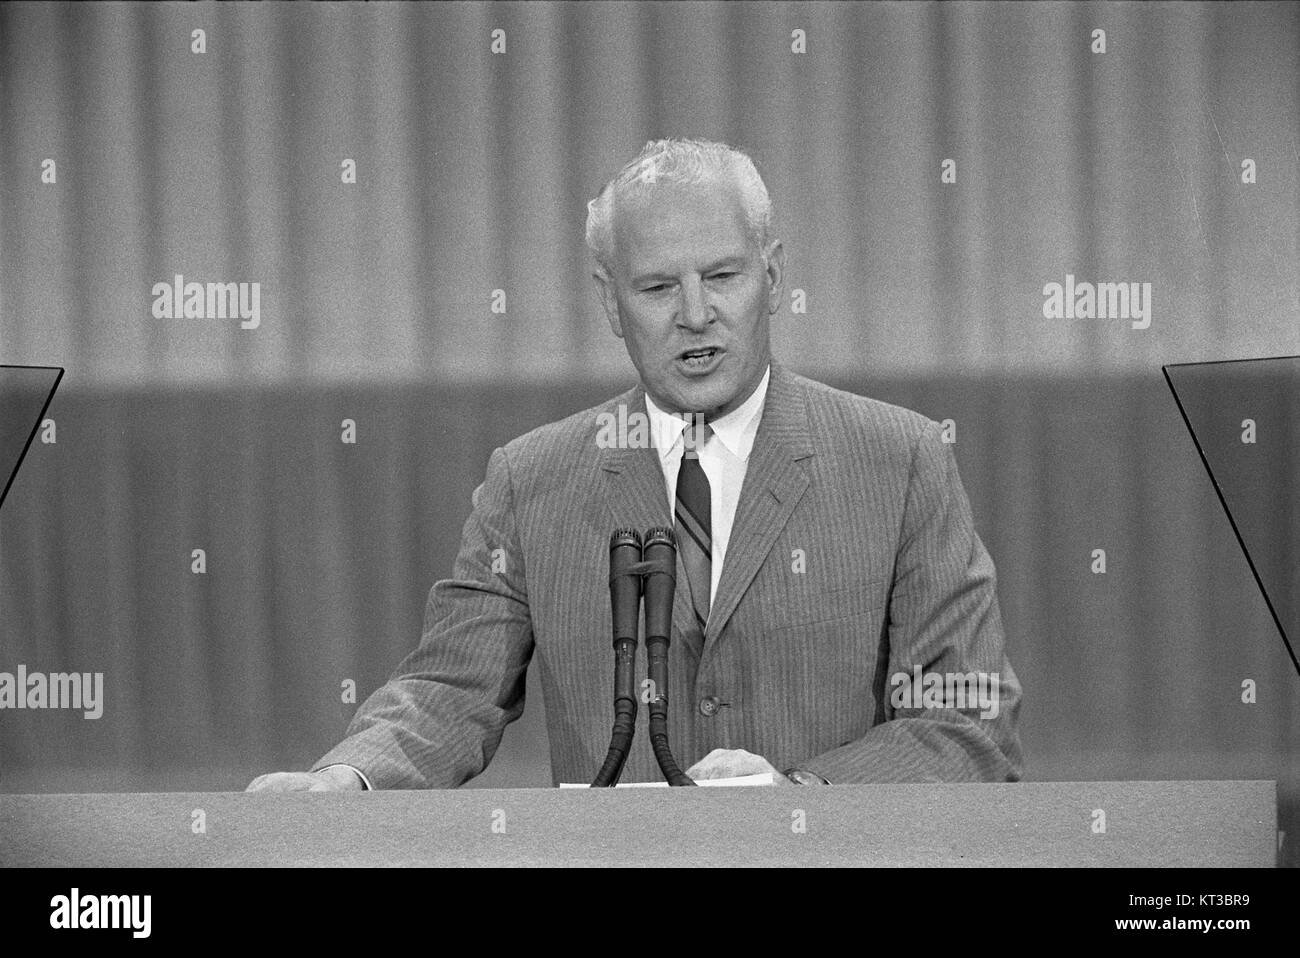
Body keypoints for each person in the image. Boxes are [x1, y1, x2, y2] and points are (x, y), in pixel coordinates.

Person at [247, 138, 1022, 792]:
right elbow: (449, 687)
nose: (695, 313)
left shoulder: (901, 461)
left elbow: (967, 721)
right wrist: (347, 778)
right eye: (657, 287)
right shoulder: (532, 480)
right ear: (610, 303)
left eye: (723, 277)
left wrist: (801, 798)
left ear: (775, 277)